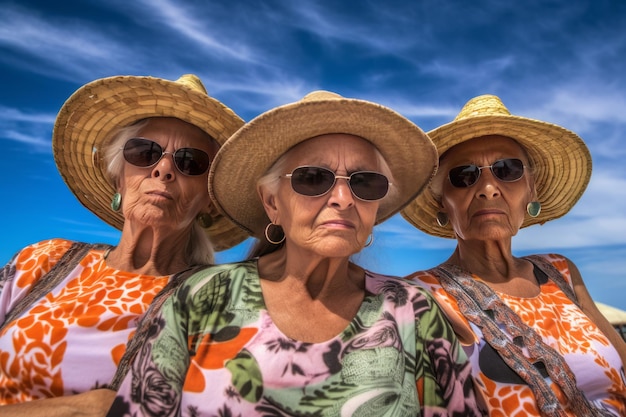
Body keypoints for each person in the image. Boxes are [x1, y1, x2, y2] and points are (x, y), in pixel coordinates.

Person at [106, 91, 485, 416]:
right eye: (312, 178)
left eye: (364, 183)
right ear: (272, 203)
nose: (342, 199)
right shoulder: (200, 297)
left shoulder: (413, 312)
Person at [0, 74, 248, 416]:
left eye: (190, 162)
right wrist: (85, 408)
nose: (163, 169)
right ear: (117, 174)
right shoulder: (41, 259)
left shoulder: (217, 303)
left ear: (210, 200)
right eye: (144, 152)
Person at [402, 94, 626, 416]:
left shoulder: (561, 271)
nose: (489, 187)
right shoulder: (422, 296)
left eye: (507, 170)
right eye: (464, 175)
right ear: (441, 201)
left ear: (531, 190)